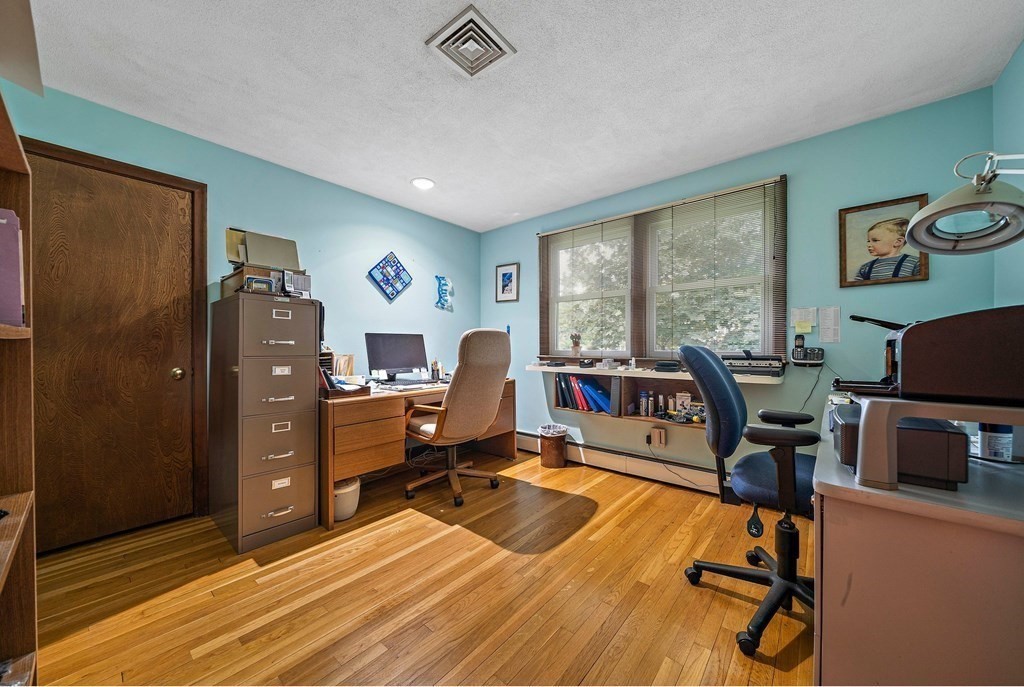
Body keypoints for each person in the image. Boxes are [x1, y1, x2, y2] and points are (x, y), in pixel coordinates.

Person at [853, 217, 920, 281]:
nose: (868, 245)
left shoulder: (915, 263)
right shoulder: (865, 268)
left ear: (898, 242)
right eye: (868, 241)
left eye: (875, 240)